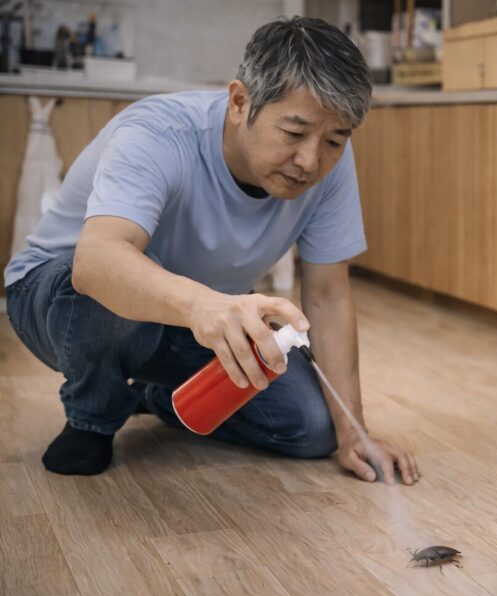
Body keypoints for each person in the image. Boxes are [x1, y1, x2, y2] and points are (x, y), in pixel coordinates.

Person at [4, 17, 420, 485]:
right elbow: (96, 264)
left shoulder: (329, 162)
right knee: (115, 285)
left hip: (191, 319)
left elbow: (328, 295)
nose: (310, 160)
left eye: (334, 140)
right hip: (60, 297)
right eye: (293, 133)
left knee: (312, 425)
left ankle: (160, 395)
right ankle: (92, 417)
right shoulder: (158, 133)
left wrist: (353, 431)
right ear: (241, 102)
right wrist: (203, 304)